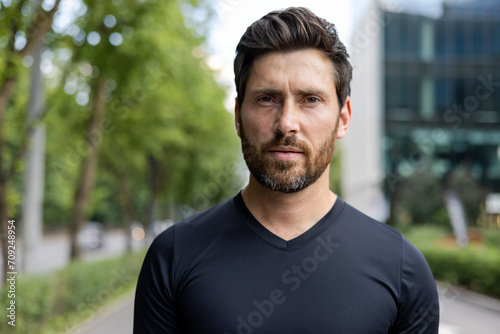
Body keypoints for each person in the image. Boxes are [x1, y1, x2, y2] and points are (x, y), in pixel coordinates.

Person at [134, 7, 439, 333]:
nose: (286, 124)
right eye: (267, 98)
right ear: (238, 116)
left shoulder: (402, 268)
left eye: (310, 99)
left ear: (343, 118)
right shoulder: (174, 256)